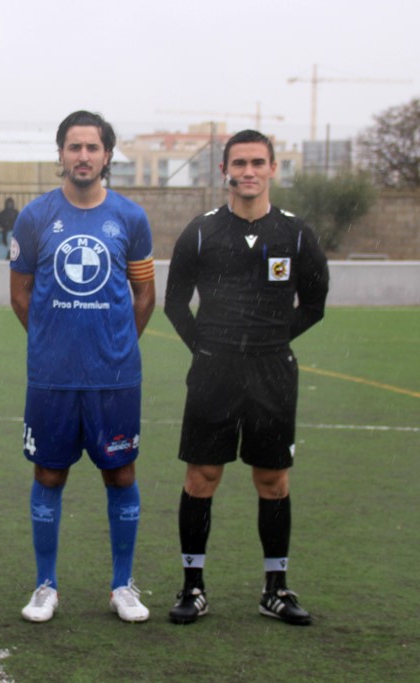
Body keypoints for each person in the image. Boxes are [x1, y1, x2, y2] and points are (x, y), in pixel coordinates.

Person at [164, 129, 329, 626]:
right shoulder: (201, 232)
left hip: (271, 371)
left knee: (273, 479)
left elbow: (314, 304)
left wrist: (269, 342)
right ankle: (193, 587)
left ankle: (275, 589)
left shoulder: (295, 234)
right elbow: (175, 304)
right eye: (239, 163)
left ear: (273, 168)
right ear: (225, 172)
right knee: (202, 476)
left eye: (258, 162)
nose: (249, 171)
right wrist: (208, 348)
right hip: (213, 370)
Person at [9, 110, 156, 624]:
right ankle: (45, 585)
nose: (83, 156)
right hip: (52, 377)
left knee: (120, 473)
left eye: (93, 147)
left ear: (107, 155)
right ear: (61, 154)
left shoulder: (131, 218)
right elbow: (20, 294)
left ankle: (122, 586)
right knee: (49, 473)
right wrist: (51, 342)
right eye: (74, 147)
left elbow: (144, 295)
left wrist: (116, 345)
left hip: (115, 377)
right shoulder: (34, 217)